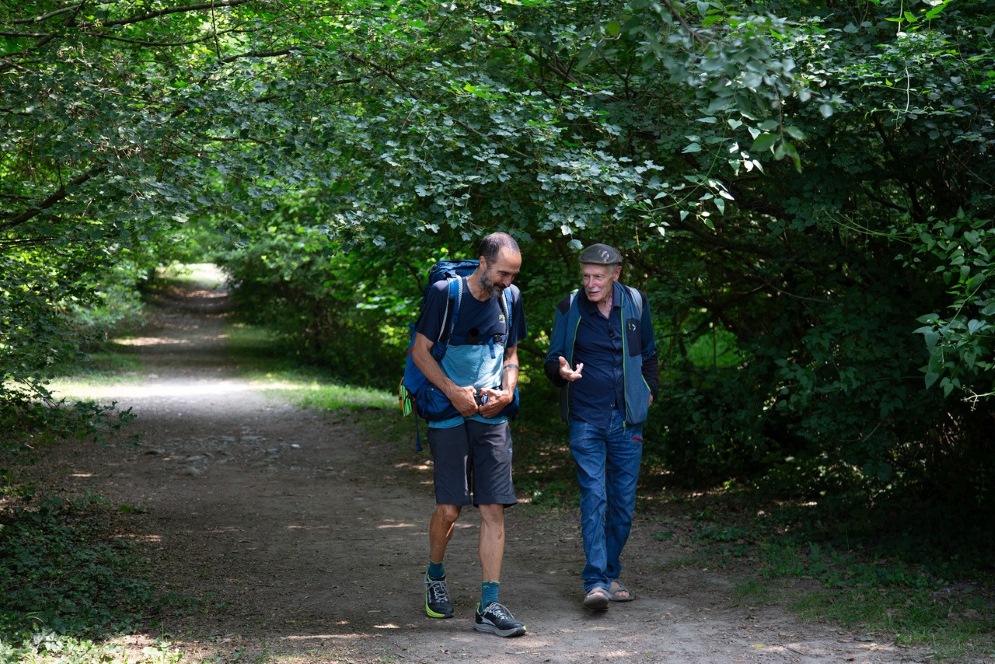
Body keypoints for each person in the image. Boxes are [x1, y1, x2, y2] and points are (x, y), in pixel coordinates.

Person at [411, 232, 528, 638]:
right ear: (483, 262)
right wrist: (453, 392)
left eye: (513, 275)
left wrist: (508, 391)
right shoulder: (447, 295)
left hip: (492, 415)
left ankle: (489, 604)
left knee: (493, 507)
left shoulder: (511, 299)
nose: (507, 282)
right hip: (448, 410)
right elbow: (420, 351)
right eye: (502, 273)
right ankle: (435, 577)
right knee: (450, 508)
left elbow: (511, 355)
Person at [543, 242, 658, 611]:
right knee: (595, 496)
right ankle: (595, 582)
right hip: (585, 418)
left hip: (627, 419)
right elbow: (551, 359)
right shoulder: (570, 306)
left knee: (622, 504)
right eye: (585, 276)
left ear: (615, 274)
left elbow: (650, 354)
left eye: (597, 277)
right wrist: (560, 372)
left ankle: (609, 573)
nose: (590, 284)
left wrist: (649, 393)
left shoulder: (636, 304)